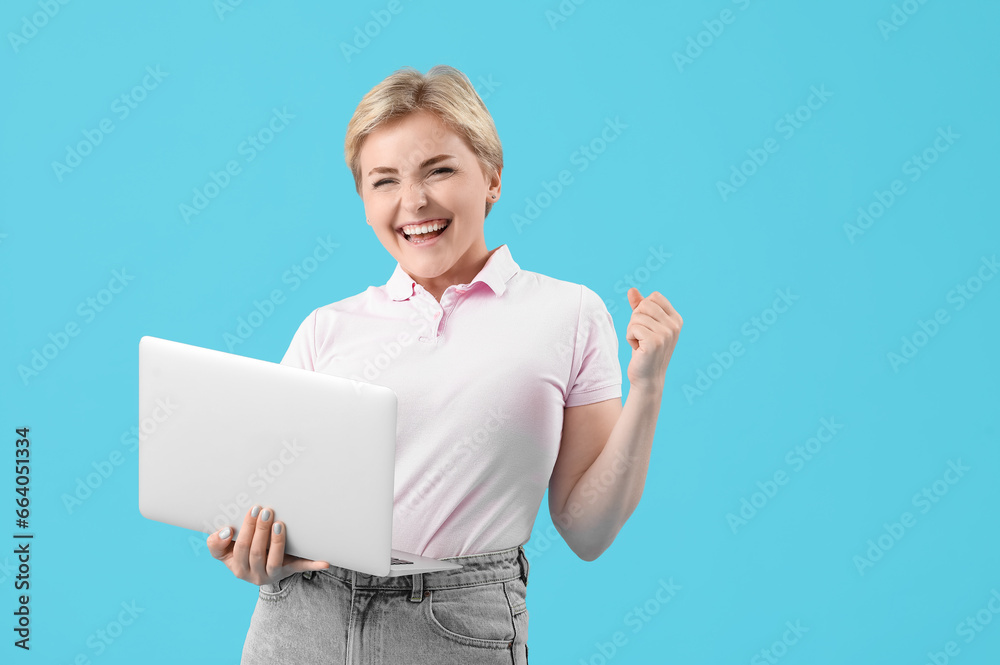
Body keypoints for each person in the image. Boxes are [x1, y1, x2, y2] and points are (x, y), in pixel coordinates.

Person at [205, 64, 683, 664]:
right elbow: (273, 502)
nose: (414, 202)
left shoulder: (569, 313)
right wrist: (254, 548)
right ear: (363, 200)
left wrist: (648, 387)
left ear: (492, 179)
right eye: (384, 181)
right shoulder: (326, 328)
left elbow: (588, 532)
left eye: (440, 170)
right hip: (300, 621)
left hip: (456, 625)